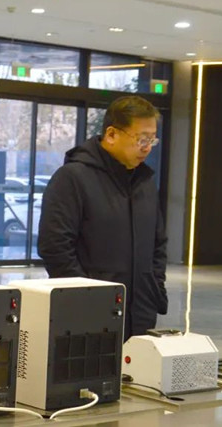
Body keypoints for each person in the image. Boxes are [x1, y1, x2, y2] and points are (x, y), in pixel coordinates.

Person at [38, 95, 168, 340]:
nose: (147, 147)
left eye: (152, 139)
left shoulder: (145, 182)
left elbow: (158, 245)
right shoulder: (73, 178)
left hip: (141, 313)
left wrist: (155, 288)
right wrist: (86, 297)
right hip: (88, 316)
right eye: (141, 139)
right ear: (111, 134)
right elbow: (55, 247)